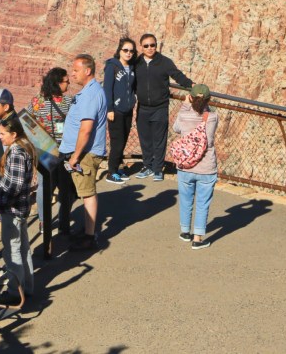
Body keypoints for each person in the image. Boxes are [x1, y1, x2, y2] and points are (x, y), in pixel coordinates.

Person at [59, 54, 108, 251]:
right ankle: (88, 231)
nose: (72, 74)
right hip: (84, 153)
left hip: (85, 155)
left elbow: (86, 128)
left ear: (87, 71)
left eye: (76, 70)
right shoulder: (90, 91)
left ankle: (89, 237)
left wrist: (75, 156)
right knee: (85, 192)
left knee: (87, 194)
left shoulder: (90, 94)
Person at [134, 33, 193, 182]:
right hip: (142, 107)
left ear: (156, 45)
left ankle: (158, 169)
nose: (149, 48)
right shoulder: (136, 63)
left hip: (160, 107)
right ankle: (147, 166)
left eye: (152, 45)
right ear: (141, 47)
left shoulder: (164, 62)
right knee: (145, 139)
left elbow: (177, 75)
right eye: (146, 46)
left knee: (159, 140)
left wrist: (191, 85)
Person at [26, 67, 76, 229]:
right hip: (64, 151)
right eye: (66, 81)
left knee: (44, 187)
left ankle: (43, 221)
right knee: (66, 188)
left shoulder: (37, 101)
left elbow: (26, 121)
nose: (68, 84)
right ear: (57, 83)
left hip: (44, 150)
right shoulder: (68, 102)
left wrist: (37, 140)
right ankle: (64, 223)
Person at [0, 114, 36, 304]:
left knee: (13, 252)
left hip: (13, 211)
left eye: (3, 133)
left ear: (14, 133)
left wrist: (2, 205)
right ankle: (27, 288)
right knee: (24, 249)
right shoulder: (21, 148)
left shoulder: (18, 153)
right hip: (20, 209)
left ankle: (15, 293)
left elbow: (15, 186)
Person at [173, 84, 219, 250]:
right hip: (206, 167)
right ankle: (198, 239)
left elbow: (176, 128)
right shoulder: (213, 117)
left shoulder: (184, 115)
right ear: (208, 100)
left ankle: (185, 232)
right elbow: (210, 135)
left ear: (190, 97)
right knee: (202, 203)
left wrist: (186, 105)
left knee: (186, 199)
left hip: (186, 165)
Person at [104, 38, 137, 184]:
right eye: (125, 50)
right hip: (115, 110)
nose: (128, 53)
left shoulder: (132, 67)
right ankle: (111, 172)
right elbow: (107, 89)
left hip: (128, 109)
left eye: (131, 51)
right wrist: (109, 108)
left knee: (123, 140)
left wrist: (133, 99)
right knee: (117, 142)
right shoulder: (112, 66)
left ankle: (117, 169)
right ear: (120, 51)